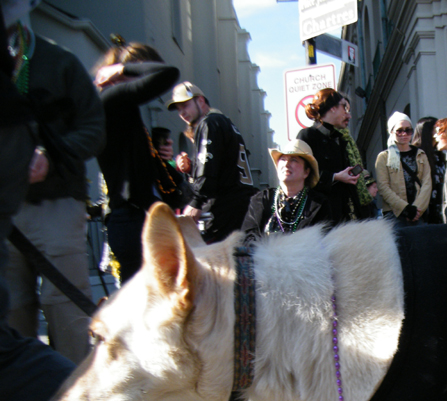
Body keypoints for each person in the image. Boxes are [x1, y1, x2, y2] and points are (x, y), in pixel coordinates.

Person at [0, 3, 239, 401]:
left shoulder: (86, 81)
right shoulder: (99, 93)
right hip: (121, 214)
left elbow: (159, 75)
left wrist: (110, 77)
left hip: (113, 213)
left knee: (60, 339)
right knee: (21, 346)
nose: (179, 111)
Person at [4, 9, 103, 365]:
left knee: (64, 306)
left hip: (56, 203)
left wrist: (52, 153)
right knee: (12, 310)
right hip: (6, 209)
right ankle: (22, 398)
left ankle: (77, 392)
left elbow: (94, 129)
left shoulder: (60, 61)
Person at [94, 40, 181, 283]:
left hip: (133, 219)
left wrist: (158, 159)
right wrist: (121, 69)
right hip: (131, 220)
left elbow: (136, 170)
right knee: (148, 298)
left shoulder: (120, 107)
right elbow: (167, 73)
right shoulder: (112, 98)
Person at [169, 81, 257, 243]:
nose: (182, 113)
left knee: (217, 256)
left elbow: (208, 171)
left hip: (224, 210)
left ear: (200, 101)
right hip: (240, 207)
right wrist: (191, 168)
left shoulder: (209, 123)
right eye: (178, 109)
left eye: (185, 105)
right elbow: (221, 166)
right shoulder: (225, 123)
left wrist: (196, 201)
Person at [296, 88, 370, 221]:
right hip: (322, 217)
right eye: (344, 107)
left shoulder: (340, 139)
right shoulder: (307, 136)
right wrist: (335, 177)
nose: (349, 115)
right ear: (333, 108)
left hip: (346, 215)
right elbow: (301, 176)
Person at [241, 139, 337, 240]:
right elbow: (248, 238)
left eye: (294, 160)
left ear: (306, 172)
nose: (286, 164)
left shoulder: (318, 205)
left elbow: (323, 241)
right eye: (283, 159)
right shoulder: (261, 200)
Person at [374, 111, 432, 226]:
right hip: (394, 214)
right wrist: (405, 209)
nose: (404, 134)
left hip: (418, 213)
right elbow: (383, 187)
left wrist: (416, 210)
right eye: (399, 130)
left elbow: (427, 183)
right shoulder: (383, 157)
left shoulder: (420, 154)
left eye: (408, 130)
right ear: (391, 131)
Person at [412, 116, 446, 224]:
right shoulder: (416, 155)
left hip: (440, 207)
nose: (440, 133)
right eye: (437, 129)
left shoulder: (439, 155)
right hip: (424, 211)